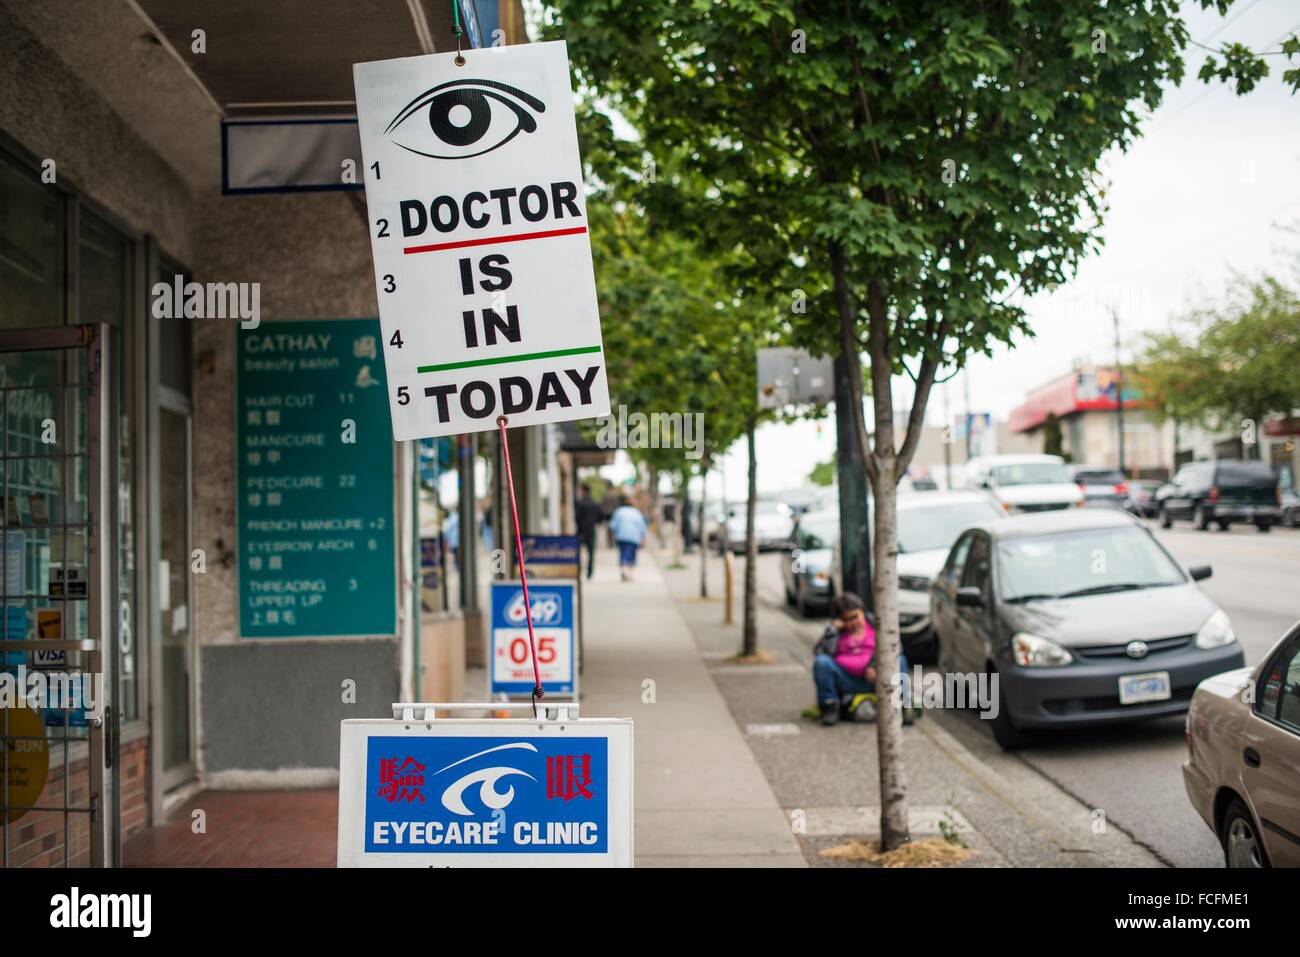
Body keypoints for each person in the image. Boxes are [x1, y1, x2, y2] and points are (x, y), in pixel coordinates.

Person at [812, 593, 912, 726]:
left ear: (863, 613)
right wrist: (833, 630)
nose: (852, 623)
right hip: (847, 680)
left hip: (876, 678)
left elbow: (896, 646)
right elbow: (821, 652)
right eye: (846, 619)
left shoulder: (877, 626)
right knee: (821, 662)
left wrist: (875, 666)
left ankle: (902, 707)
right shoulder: (836, 633)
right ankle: (830, 706)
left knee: (900, 660)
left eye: (855, 617)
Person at [608, 494, 647, 581]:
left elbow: (613, 525)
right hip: (634, 537)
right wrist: (643, 538)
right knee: (632, 555)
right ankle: (630, 573)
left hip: (621, 536)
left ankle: (623, 570)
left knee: (623, 553)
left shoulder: (619, 511)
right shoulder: (636, 512)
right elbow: (642, 526)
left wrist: (613, 536)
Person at [575, 483, 604, 579]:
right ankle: (589, 572)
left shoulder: (580, 503)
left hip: (581, 531)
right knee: (590, 553)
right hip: (591, 530)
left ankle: (578, 570)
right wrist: (595, 523)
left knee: (578, 552)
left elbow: (577, 517)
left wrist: (580, 525)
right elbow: (601, 517)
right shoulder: (595, 503)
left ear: (584, 491)